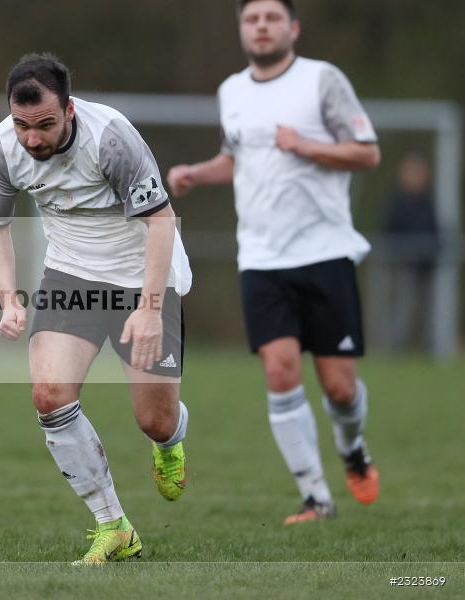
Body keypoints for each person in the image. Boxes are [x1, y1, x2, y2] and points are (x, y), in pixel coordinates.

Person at [167, 0, 381, 524]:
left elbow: (367, 152)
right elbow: (239, 160)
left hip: (325, 251)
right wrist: (198, 172)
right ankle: (316, 496)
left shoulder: (322, 81)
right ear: (242, 30)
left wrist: (305, 145)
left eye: (271, 18)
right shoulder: (231, 91)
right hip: (261, 258)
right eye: (251, 19)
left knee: (339, 388)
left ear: (293, 28)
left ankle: (352, 448)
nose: (261, 27)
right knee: (280, 371)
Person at [0, 53, 193, 564]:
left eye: (46, 124)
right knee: (49, 395)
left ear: (69, 110)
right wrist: (9, 297)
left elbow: (161, 222)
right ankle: (113, 526)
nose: (33, 138)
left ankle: (170, 441)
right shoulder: (3, 146)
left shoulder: (111, 138)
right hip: (71, 273)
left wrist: (148, 307)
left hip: (143, 275)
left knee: (154, 421)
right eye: (22, 124)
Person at [383, 152, 439, 351]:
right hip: (404, 262)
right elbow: (390, 229)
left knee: (429, 308)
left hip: (427, 263)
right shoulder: (397, 201)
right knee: (402, 307)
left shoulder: (428, 200)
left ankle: (428, 346)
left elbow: (435, 229)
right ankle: (398, 346)